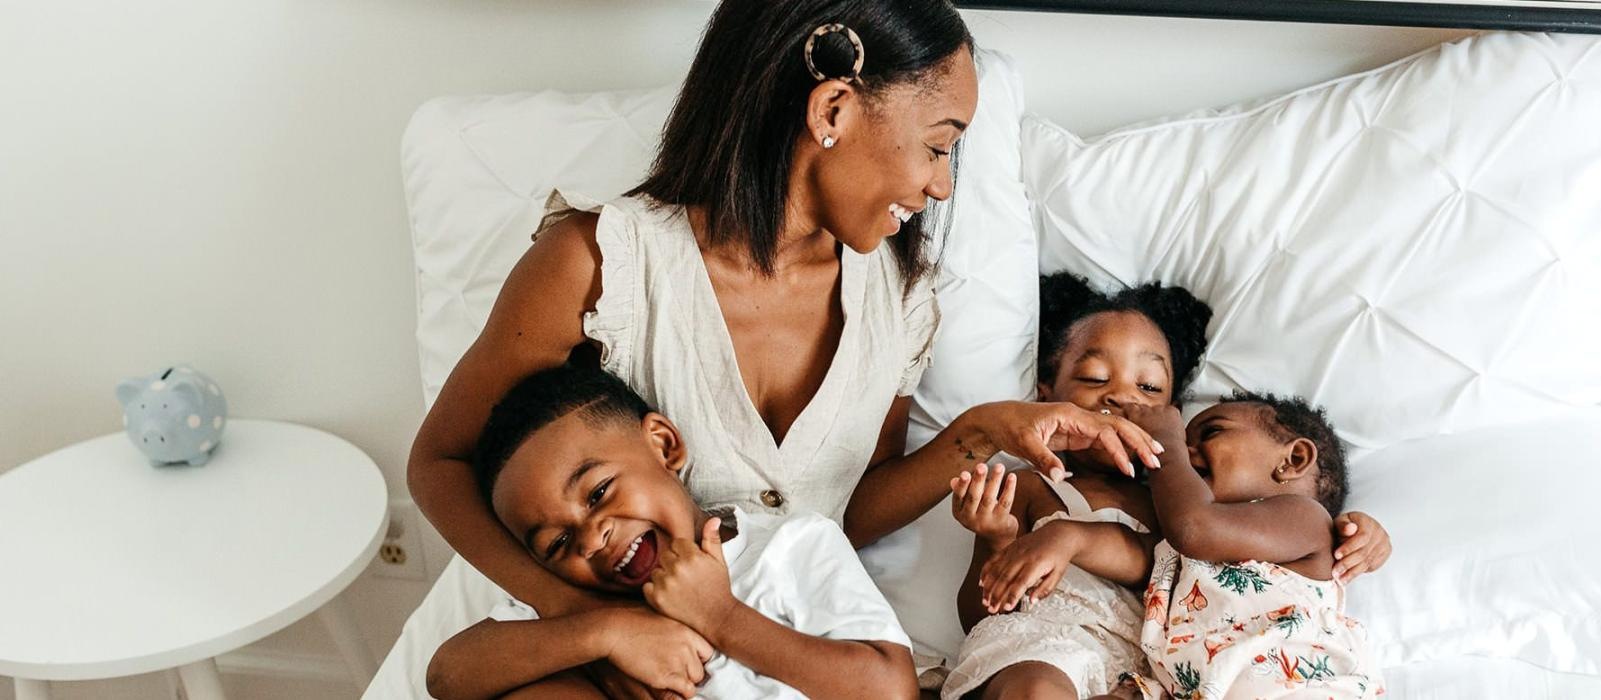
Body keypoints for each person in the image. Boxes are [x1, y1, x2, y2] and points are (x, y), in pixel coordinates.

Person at [407, 3, 1159, 696]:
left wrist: (985, 432)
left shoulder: (897, 300)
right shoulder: (601, 264)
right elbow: (439, 463)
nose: (938, 186)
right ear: (832, 108)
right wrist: (592, 622)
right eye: (937, 147)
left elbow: (841, 513)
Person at [939, 273, 1390, 700]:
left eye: (1150, 388)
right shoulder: (1028, 486)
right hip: (1063, 652)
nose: (1122, 397)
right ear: (1045, 397)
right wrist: (994, 540)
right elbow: (983, 620)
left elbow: (1184, 535)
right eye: (1095, 378)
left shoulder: (1181, 506)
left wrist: (1359, 531)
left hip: (1165, 670)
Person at [425, 364, 916, 700]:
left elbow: (891, 690)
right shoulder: (576, 608)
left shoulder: (790, 547)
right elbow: (448, 674)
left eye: (598, 494)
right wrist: (608, 633)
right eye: (557, 544)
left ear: (663, 445)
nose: (592, 540)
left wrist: (720, 616)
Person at [1125, 394, 1384, 699]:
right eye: (1183, 441)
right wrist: (1070, 538)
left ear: (1293, 459)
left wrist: (1165, 444)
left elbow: (1194, 528)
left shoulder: (1306, 520)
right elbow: (1138, 556)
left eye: (1211, 433)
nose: (1187, 451)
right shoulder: (1182, 543)